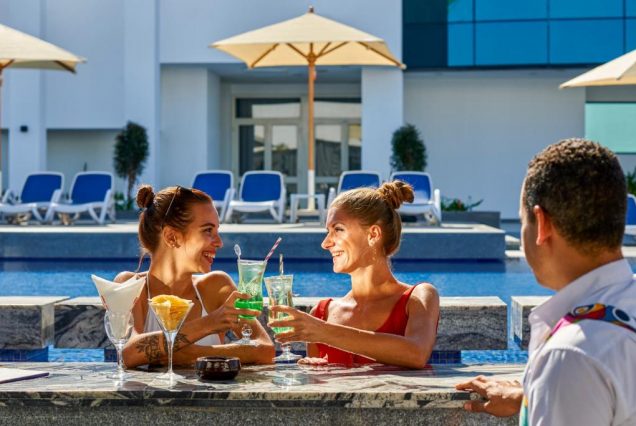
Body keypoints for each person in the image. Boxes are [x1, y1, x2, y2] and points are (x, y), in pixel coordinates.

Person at [456, 139, 636, 425]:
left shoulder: (571, 357)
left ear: (542, 223)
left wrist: (556, 387)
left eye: (522, 221)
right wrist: (534, 396)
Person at [269, 181, 440, 369]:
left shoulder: (418, 297)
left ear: (373, 234)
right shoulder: (322, 313)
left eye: (338, 229)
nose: (325, 243)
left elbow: (416, 353)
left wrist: (322, 331)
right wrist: (317, 372)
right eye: (328, 231)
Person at [118, 185, 275, 368]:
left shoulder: (216, 286)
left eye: (217, 230)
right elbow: (128, 353)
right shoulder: (131, 285)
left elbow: (265, 349)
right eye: (208, 230)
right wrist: (210, 323)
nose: (219, 242)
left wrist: (191, 355)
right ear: (171, 237)